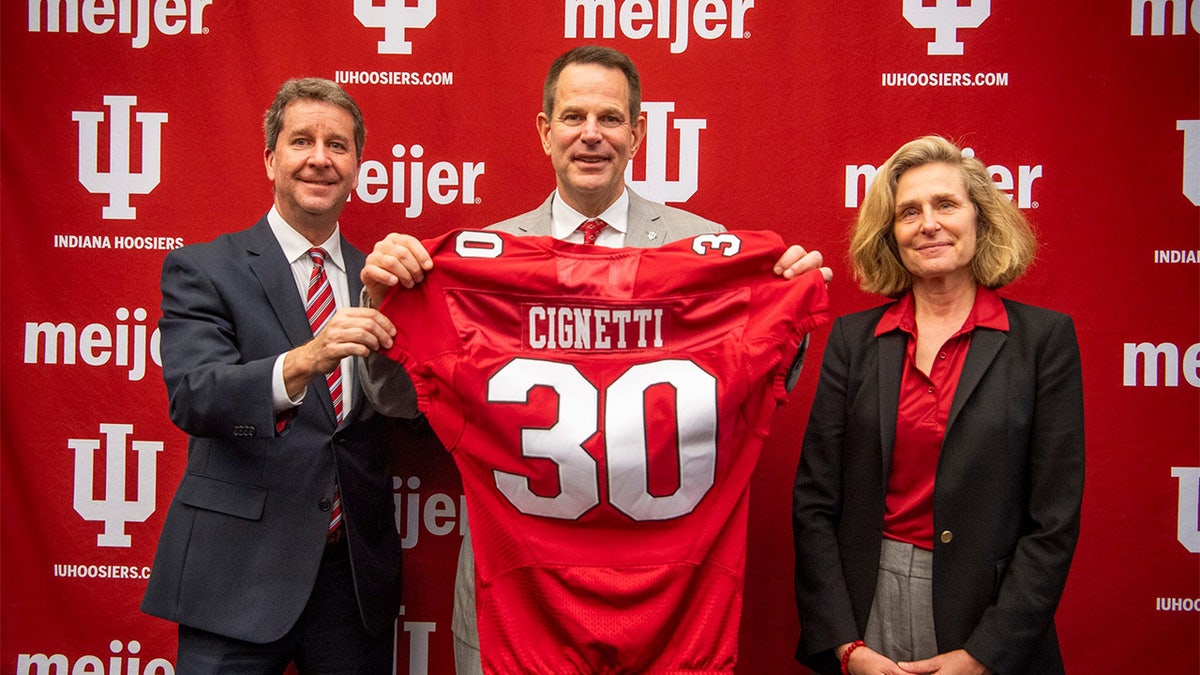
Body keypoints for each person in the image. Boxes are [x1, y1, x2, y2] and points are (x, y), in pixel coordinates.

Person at [358, 46, 832, 673]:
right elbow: (396, 402)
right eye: (574, 116)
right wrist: (387, 302)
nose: (591, 135)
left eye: (610, 119)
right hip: (516, 597)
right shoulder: (481, 261)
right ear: (544, 130)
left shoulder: (702, 249)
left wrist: (785, 308)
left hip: (666, 604)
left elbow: (754, 391)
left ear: (638, 134)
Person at [141, 77, 407, 674]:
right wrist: (307, 358)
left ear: (358, 164)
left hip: (353, 584)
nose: (320, 158)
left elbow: (411, 415)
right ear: (270, 158)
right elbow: (194, 395)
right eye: (302, 141)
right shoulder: (204, 268)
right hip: (235, 576)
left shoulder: (380, 280)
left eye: (338, 145)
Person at [792, 135, 1084, 675]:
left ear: (980, 219)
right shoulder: (853, 341)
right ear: (891, 234)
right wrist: (844, 645)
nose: (928, 223)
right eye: (909, 212)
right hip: (867, 609)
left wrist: (984, 655)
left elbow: (1054, 522)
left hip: (989, 620)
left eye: (946, 204)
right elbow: (814, 502)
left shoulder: (1043, 341)